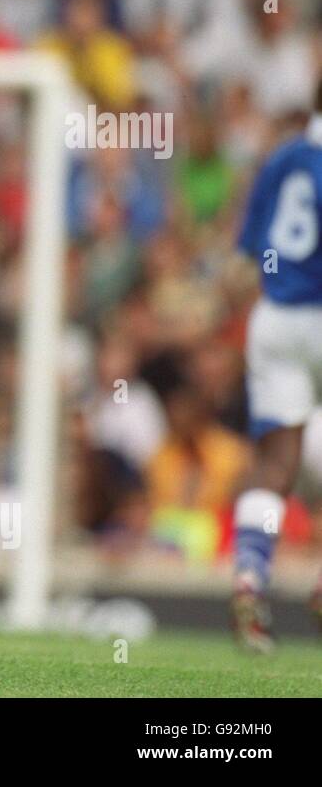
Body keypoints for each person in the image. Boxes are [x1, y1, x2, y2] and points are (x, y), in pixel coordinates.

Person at [231, 81, 322, 652]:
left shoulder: (285, 156)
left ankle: (250, 573)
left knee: (276, 463)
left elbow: (249, 245)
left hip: (272, 318)